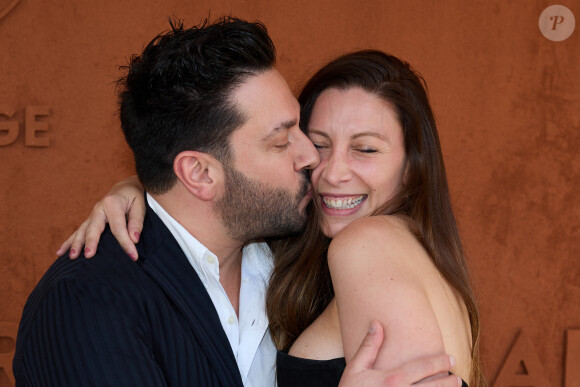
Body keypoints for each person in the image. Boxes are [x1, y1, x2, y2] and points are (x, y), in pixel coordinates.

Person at [13, 18, 460, 387]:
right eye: (284, 140)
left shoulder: (305, 255)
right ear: (200, 173)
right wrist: (135, 189)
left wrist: (139, 188)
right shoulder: (87, 302)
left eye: (365, 148)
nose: (314, 162)